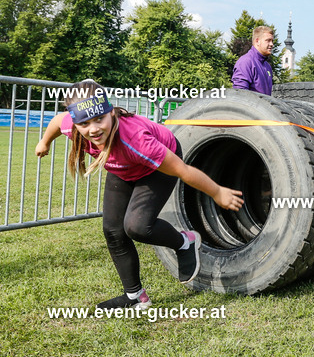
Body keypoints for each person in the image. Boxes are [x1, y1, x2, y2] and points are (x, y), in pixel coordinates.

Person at [35, 80, 244, 310]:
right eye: (84, 123)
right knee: (113, 231)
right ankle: (135, 296)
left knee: (137, 226)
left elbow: (183, 171)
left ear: (110, 112)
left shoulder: (134, 140)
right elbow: (57, 122)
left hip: (154, 167)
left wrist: (217, 191)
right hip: (122, 168)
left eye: (99, 119)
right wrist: (44, 143)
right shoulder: (73, 126)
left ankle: (185, 242)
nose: (93, 129)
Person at [232, 25, 275, 94]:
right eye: (268, 40)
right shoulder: (246, 62)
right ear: (257, 41)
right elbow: (239, 94)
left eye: (272, 41)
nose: (272, 44)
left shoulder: (267, 66)